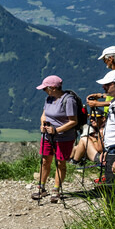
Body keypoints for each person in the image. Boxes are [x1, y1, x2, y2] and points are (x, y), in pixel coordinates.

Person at [32, 75, 79, 203]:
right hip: (48, 135)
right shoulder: (48, 99)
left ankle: (56, 189)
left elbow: (73, 121)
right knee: (45, 160)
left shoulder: (68, 100)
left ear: (53, 88)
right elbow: (44, 115)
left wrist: (57, 130)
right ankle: (41, 187)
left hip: (64, 137)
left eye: (45, 89)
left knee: (60, 162)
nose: (44, 91)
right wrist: (42, 124)